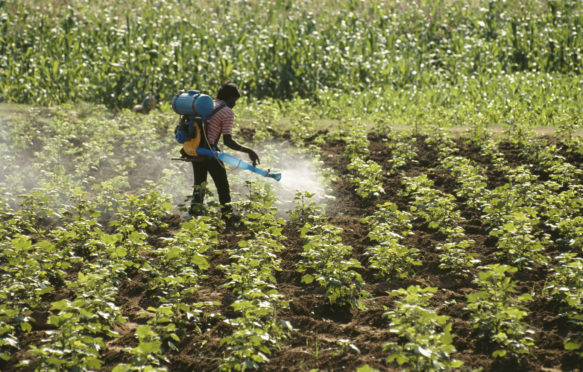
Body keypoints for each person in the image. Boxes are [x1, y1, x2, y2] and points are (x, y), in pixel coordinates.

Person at [189, 81, 259, 219]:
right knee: (223, 186)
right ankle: (227, 217)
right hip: (209, 151)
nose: (235, 103)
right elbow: (228, 141)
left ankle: (194, 215)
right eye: (235, 100)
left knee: (199, 185)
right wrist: (249, 151)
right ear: (231, 97)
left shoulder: (209, 105)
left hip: (194, 148)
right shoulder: (227, 112)